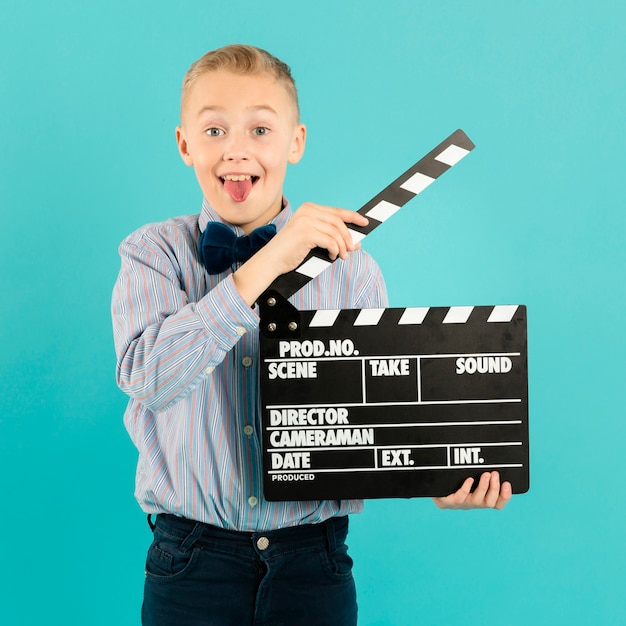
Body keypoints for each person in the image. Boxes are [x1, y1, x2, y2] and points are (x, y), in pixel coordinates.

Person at [111, 44, 512, 626]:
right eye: (215, 129)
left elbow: (380, 411)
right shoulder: (153, 253)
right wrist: (265, 266)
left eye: (260, 129)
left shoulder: (353, 271)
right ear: (185, 144)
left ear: (295, 142)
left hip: (313, 563)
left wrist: (441, 473)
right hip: (189, 562)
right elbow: (149, 378)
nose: (237, 149)